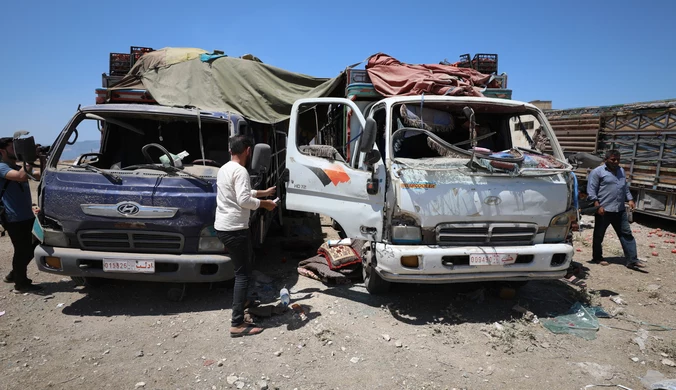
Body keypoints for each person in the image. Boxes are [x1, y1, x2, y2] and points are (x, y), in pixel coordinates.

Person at [215, 135, 277, 337]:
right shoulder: (241, 170)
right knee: (242, 273)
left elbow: (242, 191)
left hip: (223, 227)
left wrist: (263, 192)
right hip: (235, 229)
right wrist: (265, 204)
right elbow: (243, 200)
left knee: (244, 264)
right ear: (248, 151)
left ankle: (242, 301)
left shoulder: (224, 168)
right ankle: (237, 323)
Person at [587, 149, 646, 270]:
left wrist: (629, 199)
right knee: (599, 235)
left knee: (626, 234)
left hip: (619, 210)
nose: (616, 162)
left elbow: (625, 187)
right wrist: (598, 206)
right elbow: (591, 190)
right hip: (604, 210)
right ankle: (597, 257)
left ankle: (632, 260)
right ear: (606, 159)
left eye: (618, 160)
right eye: (613, 159)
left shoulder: (621, 171)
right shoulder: (597, 172)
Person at [0, 137, 42, 292]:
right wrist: (28, 158)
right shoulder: (2, 167)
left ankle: (14, 274)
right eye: (13, 148)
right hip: (13, 217)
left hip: (26, 215)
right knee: (22, 249)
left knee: (35, 243)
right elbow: (21, 177)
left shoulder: (18, 166)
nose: (16, 151)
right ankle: (21, 284)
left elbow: (38, 175)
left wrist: (42, 159)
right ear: (2, 151)